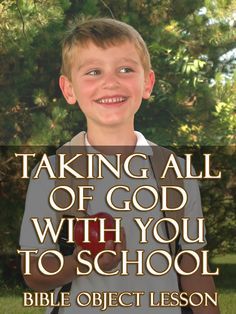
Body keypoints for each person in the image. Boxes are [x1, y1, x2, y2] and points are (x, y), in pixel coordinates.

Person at [19, 18, 220, 314]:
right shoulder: (54, 172)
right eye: (93, 72)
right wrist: (82, 262)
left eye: (125, 69)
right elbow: (34, 272)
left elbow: (192, 264)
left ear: (147, 83)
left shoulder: (174, 170)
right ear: (69, 89)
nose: (110, 82)